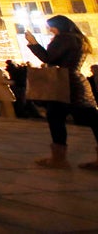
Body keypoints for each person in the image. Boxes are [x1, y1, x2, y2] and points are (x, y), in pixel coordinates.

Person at [26, 15, 98, 169]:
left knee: (58, 117)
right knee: (86, 117)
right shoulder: (78, 38)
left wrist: (33, 42)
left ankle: (59, 159)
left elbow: (48, 58)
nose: (50, 30)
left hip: (65, 83)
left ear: (59, 26)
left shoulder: (64, 38)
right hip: (75, 81)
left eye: (51, 26)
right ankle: (58, 158)